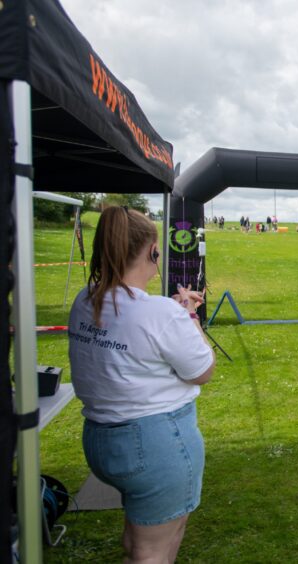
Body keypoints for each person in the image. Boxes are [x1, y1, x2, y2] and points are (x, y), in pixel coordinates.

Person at [68, 206, 215, 562]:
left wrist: (176, 312)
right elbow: (202, 370)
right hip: (155, 444)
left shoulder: (85, 301)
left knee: (138, 542)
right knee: (153, 552)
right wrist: (190, 315)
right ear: (153, 251)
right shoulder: (159, 313)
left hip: (102, 441)